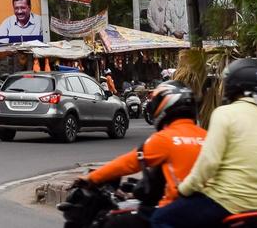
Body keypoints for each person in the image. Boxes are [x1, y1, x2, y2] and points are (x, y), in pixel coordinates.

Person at [157, 59, 257, 228]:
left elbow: (208, 162)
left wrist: (184, 189)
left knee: (161, 217)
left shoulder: (224, 114)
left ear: (233, 85)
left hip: (223, 202)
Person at [79, 80, 206, 214]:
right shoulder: (207, 136)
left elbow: (129, 162)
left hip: (179, 209)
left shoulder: (164, 138)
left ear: (165, 105)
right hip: (210, 207)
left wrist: (92, 177)